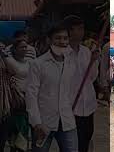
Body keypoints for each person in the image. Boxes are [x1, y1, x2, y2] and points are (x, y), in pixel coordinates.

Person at [25, 22, 78, 151]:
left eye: (65, 38)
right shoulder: (38, 64)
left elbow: (75, 88)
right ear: (49, 40)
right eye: (58, 38)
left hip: (67, 121)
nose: (62, 41)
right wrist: (36, 122)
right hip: (43, 123)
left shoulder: (71, 63)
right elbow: (31, 94)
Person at [64, 15, 100, 152]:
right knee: (73, 143)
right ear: (69, 31)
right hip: (71, 105)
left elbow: (92, 77)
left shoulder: (86, 52)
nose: (82, 32)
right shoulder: (63, 54)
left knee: (86, 138)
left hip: (88, 104)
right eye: (78, 29)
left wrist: (94, 61)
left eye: (82, 28)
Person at [1, 40, 30, 152]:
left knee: (21, 129)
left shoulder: (29, 62)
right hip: (13, 101)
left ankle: (19, 146)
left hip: (21, 101)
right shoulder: (10, 60)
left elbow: (13, 72)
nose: (25, 49)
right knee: (13, 129)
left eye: (25, 47)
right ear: (15, 49)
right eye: (21, 47)